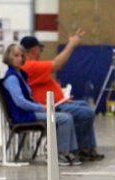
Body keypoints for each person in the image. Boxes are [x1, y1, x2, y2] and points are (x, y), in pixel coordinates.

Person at [20, 31, 104, 161]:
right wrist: (71, 45)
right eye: (40, 49)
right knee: (86, 113)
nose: (40, 52)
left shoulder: (33, 66)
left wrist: (62, 99)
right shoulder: (29, 66)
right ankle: (77, 146)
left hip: (58, 103)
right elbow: (57, 64)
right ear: (34, 49)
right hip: (49, 106)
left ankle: (87, 147)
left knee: (84, 106)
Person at [1, 44, 81, 166]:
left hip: (29, 112)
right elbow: (20, 102)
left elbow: (28, 99)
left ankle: (69, 151)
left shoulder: (20, 75)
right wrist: (41, 107)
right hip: (23, 115)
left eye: (22, 56)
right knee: (65, 118)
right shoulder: (12, 78)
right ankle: (60, 153)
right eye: (16, 55)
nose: (19, 58)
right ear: (9, 57)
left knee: (66, 116)